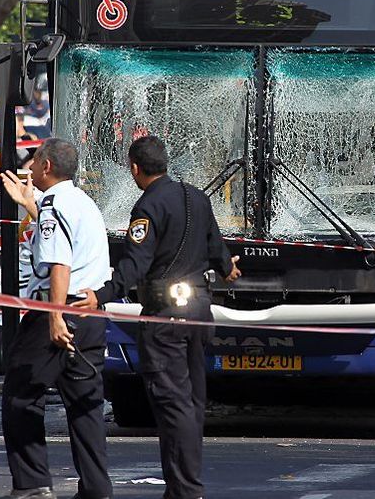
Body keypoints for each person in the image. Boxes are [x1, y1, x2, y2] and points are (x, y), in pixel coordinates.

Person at [74, 135, 241, 499]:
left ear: (135, 168)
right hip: (199, 311)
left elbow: (135, 265)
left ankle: (185, 489)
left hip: (164, 318)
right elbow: (217, 247)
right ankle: (184, 486)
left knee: (172, 403)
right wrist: (228, 268)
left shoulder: (147, 207)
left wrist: (100, 296)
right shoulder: (197, 196)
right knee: (193, 401)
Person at [0, 139, 112, 499]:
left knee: (20, 396)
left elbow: (59, 264)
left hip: (57, 314)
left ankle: (32, 484)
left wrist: (55, 317)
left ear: (46, 167)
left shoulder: (56, 206)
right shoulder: (80, 201)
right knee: (85, 406)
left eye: (33, 161)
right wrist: (31, 205)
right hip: (89, 315)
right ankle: (96, 489)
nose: (28, 168)